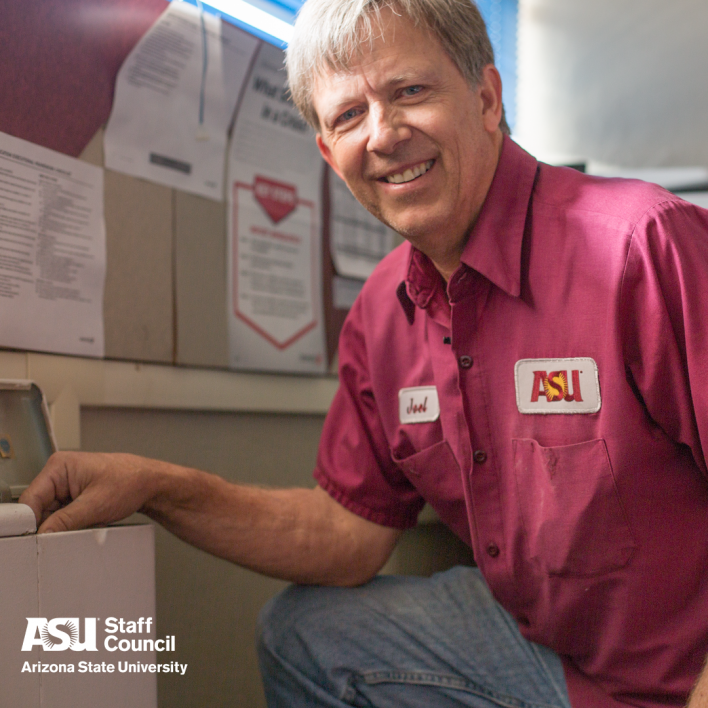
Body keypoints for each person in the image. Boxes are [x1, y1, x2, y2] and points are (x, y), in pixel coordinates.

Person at [20, 0, 708, 706]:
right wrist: (156, 485)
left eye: (410, 91)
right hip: (547, 649)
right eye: (348, 116)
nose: (383, 134)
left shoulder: (646, 246)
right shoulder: (384, 313)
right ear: (327, 151)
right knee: (306, 632)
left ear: (486, 98)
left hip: (680, 670)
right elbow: (347, 533)